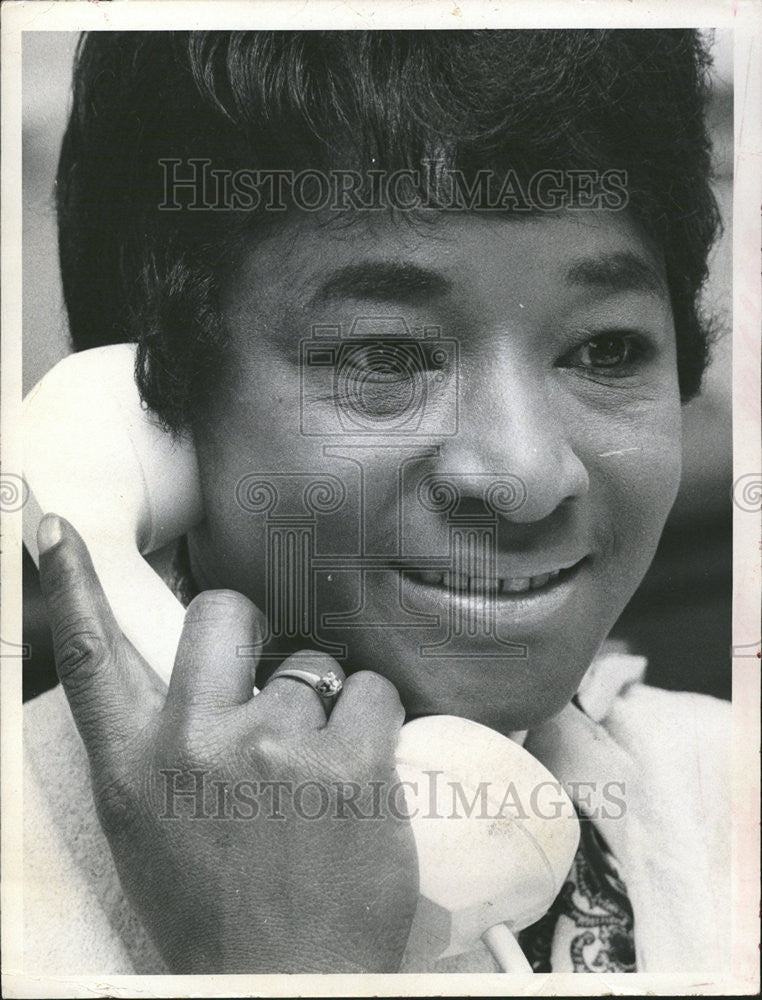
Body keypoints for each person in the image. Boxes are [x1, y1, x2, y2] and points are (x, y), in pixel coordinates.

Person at [24, 28, 730, 975]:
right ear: (153, 414)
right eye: (385, 356)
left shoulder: (729, 794)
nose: (525, 475)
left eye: (604, 349)